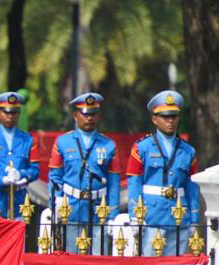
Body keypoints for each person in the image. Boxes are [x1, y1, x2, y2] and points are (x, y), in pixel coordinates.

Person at [126, 90, 201, 256]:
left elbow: (192, 187)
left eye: (174, 116)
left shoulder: (188, 151)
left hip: (179, 217)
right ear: (154, 119)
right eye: (165, 116)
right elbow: (134, 183)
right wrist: (135, 216)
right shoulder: (141, 148)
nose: (170, 121)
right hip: (151, 216)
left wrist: (194, 218)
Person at [47, 93, 121, 254]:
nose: (89, 118)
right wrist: (55, 203)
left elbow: (114, 183)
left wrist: (113, 214)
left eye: (93, 114)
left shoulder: (108, 144)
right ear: (75, 115)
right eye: (85, 113)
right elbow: (55, 176)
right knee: (70, 256)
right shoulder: (62, 142)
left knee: (98, 258)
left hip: (98, 209)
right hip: (71, 206)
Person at [0, 92, 40, 219]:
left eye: (14, 112)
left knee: (19, 237)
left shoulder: (28, 139)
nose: (10, 116)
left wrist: (21, 174)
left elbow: (35, 169)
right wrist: (0, 179)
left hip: (19, 200)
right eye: (6, 112)